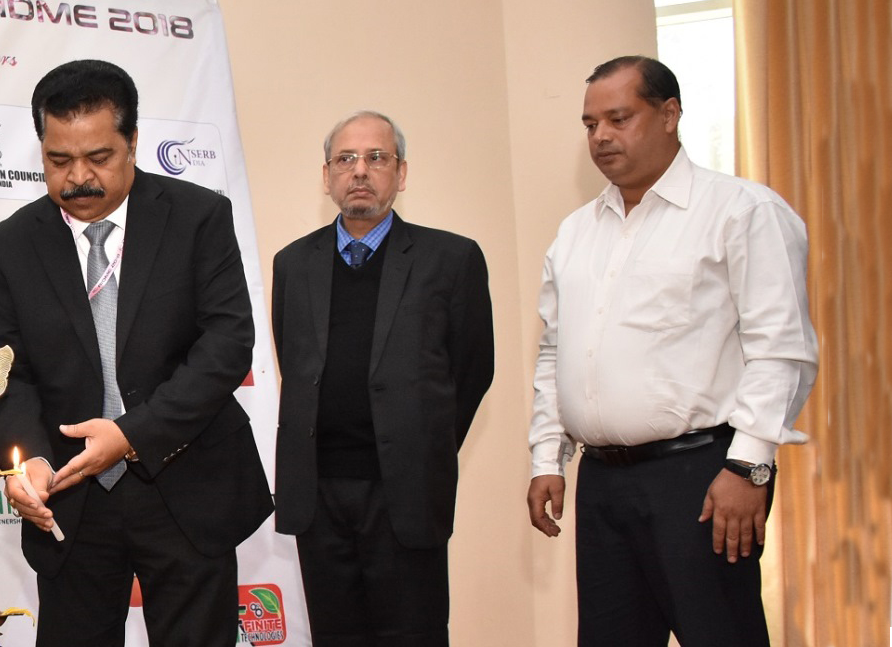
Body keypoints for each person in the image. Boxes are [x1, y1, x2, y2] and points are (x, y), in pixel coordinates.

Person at [0, 59, 271, 645]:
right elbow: (4, 372)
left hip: (186, 486)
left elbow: (226, 344)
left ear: (133, 141)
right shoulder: (11, 244)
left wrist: (131, 434)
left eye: (98, 157)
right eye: (59, 160)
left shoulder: (199, 217)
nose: (78, 178)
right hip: (71, 500)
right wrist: (30, 459)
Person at [526, 55, 818, 646]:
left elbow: (782, 350)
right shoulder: (576, 232)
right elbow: (557, 353)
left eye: (619, 118)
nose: (601, 136)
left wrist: (749, 466)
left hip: (704, 479)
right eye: (590, 124)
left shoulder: (742, 211)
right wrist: (546, 458)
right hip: (603, 483)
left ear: (669, 114)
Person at [270, 111, 494, 645]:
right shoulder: (292, 264)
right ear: (326, 176)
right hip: (318, 495)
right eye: (345, 159)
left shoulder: (452, 259)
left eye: (377, 158)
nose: (360, 171)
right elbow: (295, 364)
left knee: (413, 635)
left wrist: (423, 443)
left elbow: (472, 370)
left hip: (406, 494)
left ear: (402, 172)